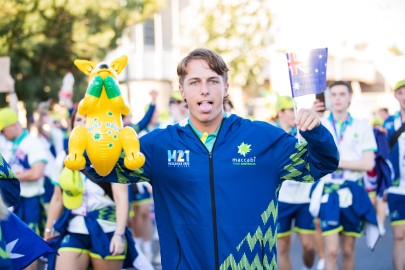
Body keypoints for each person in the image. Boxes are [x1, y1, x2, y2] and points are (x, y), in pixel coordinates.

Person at [85, 48, 339, 269]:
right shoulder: (159, 145)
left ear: (225, 88)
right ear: (182, 90)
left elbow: (321, 164)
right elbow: (105, 170)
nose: (204, 90)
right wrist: (96, 128)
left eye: (213, 81)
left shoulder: (262, 138)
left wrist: (316, 133)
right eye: (194, 82)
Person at [43, 109, 153, 270]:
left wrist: (119, 234)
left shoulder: (114, 155)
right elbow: (57, 198)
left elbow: (121, 197)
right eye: (79, 120)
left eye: (88, 120)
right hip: (73, 228)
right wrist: (48, 228)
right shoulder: (63, 157)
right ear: (72, 125)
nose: (83, 125)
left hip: (107, 228)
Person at [309, 81, 378, 270]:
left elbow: (368, 163)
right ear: (329, 99)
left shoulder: (362, 126)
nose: (338, 98)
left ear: (349, 98)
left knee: (348, 250)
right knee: (332, 251)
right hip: (329, 191)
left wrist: (333, 162)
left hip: (353, 190)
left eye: (342, 94)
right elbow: (309, 156)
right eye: (334, 94)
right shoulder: (319, 124)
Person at [0, 107, 50, 270]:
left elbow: (37, 172)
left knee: (27, 247)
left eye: (3, 130)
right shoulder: (11, 144)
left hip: (31, 202)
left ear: (12, 125)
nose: (3, 134)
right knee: (15, 247)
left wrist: (10, 177)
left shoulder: (31, 142)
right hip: (14, 203)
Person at [274, 96, 316, 270]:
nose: (294, 114)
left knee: (309, 246)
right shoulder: (272, 135)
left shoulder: (302, 132)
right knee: (282, 246)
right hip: (281, 199)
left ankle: (308, 267)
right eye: (291, 110)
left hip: (304, 197)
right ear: (280, 113)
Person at [384, 79, 405, 270]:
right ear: (396, 96)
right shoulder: (389, 123)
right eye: (401, 92)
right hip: (397, 187)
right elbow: (381, 156)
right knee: (399, 235)